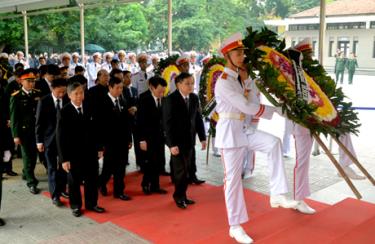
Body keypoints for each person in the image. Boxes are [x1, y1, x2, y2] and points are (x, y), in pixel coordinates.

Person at [214, 33, 297, 244]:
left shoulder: (239, 79)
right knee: (232, 181)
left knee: (273, 143)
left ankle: (277, 194)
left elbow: (251, 101)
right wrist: (276, 110)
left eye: (242, 52)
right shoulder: (224, 82)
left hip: (244, 130)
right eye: (237, 53)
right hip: (230, 135)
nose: (242, 56)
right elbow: (245, 107)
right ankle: (235, 226)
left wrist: (248, 81)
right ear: (227, 56)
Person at [56, 82, 105, 217]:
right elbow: (60, 137)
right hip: (73, 155)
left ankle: (92, 203)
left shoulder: (90, 107)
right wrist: (64, 159)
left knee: (92, 180)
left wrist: (100, 148)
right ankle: (76, 205)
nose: (79, 96)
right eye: (76, 93)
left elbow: (97, 130)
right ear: (69, 95)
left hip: (90, 152)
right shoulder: (64, 112)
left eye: (81, 92)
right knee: (74, 182)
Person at [163, 72, 206, 209]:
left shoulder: (193, 98)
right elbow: (167, 124)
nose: (191, 86)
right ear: (178, 84)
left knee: (186, 170)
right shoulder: (170, 99)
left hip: (190, 141)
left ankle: (183, 195)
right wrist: (171, 144)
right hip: (176, 142)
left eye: (192, 83)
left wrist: (202, 138)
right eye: (187, 83)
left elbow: (197, 119)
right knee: (180, 171)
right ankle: (179, 197)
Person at [96, 77, 132, 200]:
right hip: (109, 143)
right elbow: (99, 127)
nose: (119, 90)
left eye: (121, 88)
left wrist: (129, 139)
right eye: (117, 88)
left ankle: (119, 191)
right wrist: (100, 146)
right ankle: (101, 183)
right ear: (110, 87)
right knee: (108, 168)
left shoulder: (122, 100)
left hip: (122, 141)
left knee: (121, 168)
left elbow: (127, 122)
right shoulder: (102, 102)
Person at [35, 78, 69, 207]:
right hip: (49, 140)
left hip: (64, 141)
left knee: (64, 167)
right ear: (52, 89)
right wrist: (39, 141)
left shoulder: (67, 99)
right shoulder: (44, 101)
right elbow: (38, 123)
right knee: (52, 169)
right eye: (59, 92)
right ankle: (55, 196)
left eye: (64, 92)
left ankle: (62, 189)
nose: (61, 94)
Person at [9, 69, 42, 194]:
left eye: (33, 81)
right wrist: (15, 135)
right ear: (22, 81)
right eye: (28, 81)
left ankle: (26, 173)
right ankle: (31, 182)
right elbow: (14, 118)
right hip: (24, 132)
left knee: (33, 157)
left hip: (36, 131)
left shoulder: (37, 93)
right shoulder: (16, 97)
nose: (31, 83)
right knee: (28, 157)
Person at [137, 76, 168, 195]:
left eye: (163, 91)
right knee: (150, 162)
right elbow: (140, 122)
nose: (162, 93)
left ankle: (155, 186)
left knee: (158, 162)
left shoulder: (163, 99)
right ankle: (145, 184)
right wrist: (142, 140)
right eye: (159, 91)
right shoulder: (144, 99)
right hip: (148, 137)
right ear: (152, 88)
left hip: (159, 136)